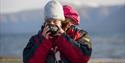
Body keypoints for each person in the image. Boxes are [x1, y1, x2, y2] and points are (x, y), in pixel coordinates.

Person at [23, 0, 92, 63]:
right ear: (45, 22)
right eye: (48, 21)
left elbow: (82, 59)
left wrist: (62, 37)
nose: (52, 24)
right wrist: (43, 41)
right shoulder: (35, 39)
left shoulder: (80, 35)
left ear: (61, 21)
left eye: (55, 21)